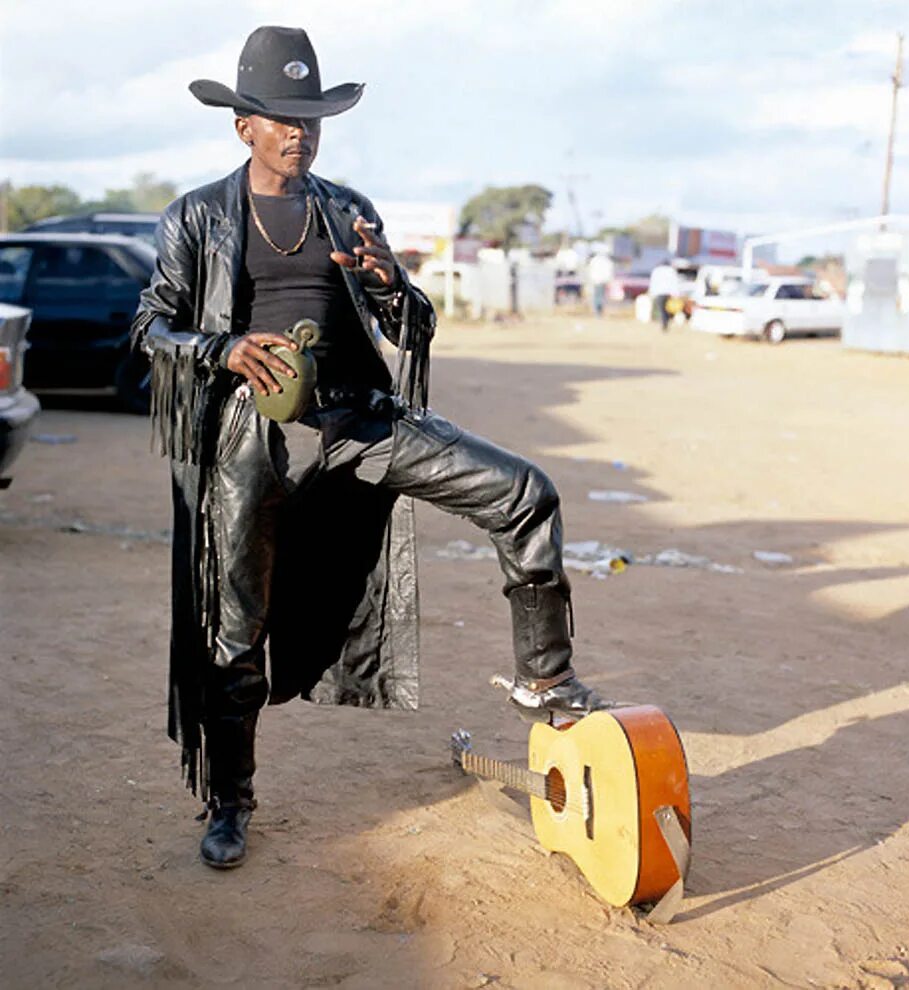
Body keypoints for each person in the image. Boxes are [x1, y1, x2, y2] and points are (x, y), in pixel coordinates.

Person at [131, 25, 607, 870]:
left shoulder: (348, 209)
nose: (298, 131)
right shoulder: (197, 216)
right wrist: (224, 349)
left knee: (524, 491)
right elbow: (150, 328)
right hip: (253, 435)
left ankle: (548, 681)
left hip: (359, 420)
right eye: (279, 116)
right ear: (244, 125)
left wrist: (395, 288)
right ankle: (230, 803)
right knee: (235, 630)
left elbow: (408, 324)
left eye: (309, 116)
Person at [647, 262, 679, 331]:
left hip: (660, 292)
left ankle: (665, 323)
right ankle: (665, 322)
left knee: (662, 309)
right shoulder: (671, 270)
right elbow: (674, 281)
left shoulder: (657, 271)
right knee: (665, 309)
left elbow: (653, 282)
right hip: (669, 292)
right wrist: (675, 292)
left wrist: (652, 292)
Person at [587, 250, 614, 317]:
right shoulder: (607, 261)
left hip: (597, 281)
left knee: (597, 296)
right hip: (602, 280)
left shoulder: (594, 260)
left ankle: (597, 312)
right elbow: (609, 271)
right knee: (601, 296)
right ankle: (599, 311)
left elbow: (591, 271)